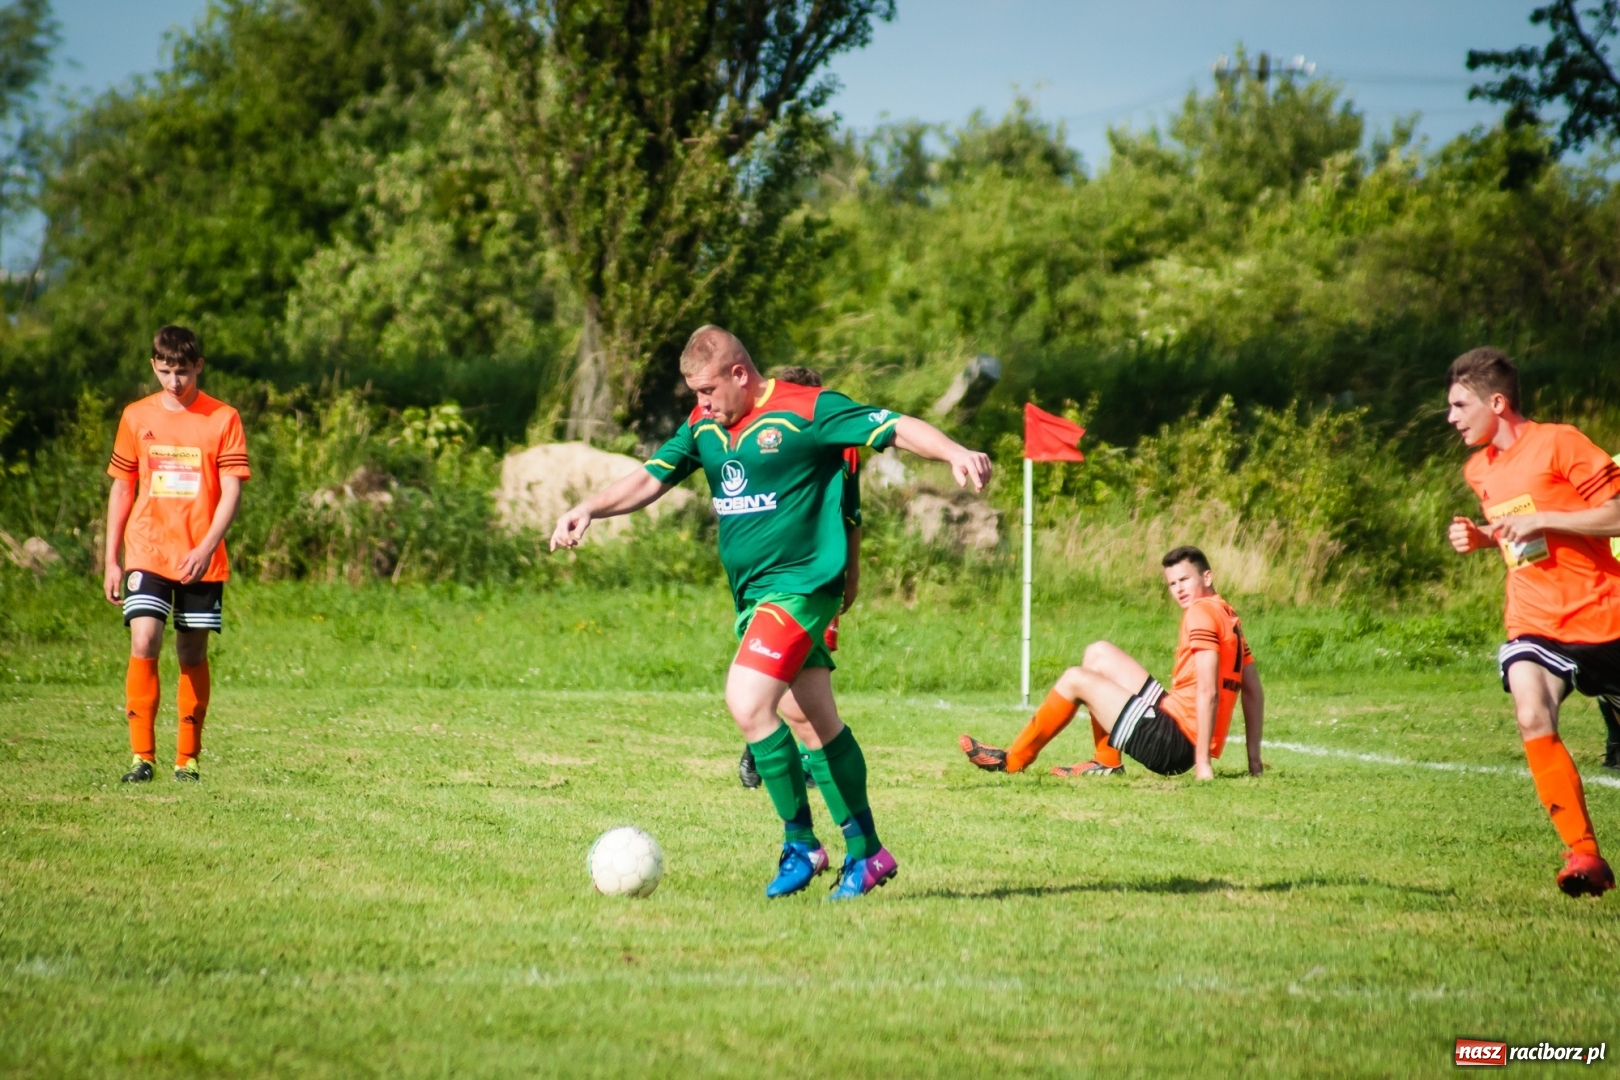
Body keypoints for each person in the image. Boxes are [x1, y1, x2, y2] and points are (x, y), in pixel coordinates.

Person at [552, 325, 991, 900]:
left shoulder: (807, 409)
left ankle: (801, 844)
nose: (702, 403)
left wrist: (954, 451)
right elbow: (650, 477)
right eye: (695, 393)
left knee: (746, 700)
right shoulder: (704, 426)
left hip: (801, 587)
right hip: (756, 595)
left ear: (740, 374)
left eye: (708, 390)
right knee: (810, 720)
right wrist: (589, 507)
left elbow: (894, 425)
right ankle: (868, 854)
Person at [1445, 347, 1619, 897]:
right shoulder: (1479, 469)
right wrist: (1483, 537)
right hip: (1535, 620)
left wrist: (1546, 518)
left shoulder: (1560, 442)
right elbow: (1521, 537)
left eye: (1460, 405)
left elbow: (1617, 513)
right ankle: (1584, 855)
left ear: (1497, 403)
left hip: (1604, 614)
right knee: (1530, 711)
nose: (1451, 417)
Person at [959, 546, 1264, 781]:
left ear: (1207, 577)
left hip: (1173, 743)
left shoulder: (1199, 612)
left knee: (1074, 679)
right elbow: (1252, 690)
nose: (1179, 589)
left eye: (1185, 580)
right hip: (1175, 724)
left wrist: (1203, 765)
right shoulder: (1228, 615)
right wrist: (1254, 761)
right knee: (1098, 653)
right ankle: (1107, 761)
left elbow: (1209, 692)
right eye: (1172, 583)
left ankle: (1012, 761)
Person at [104, 326, 251, 783]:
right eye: (165, 372)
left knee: (191, 651)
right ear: (154, 366)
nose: (174, 382)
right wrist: (111, 559)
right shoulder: (135, 416)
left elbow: (231, 492)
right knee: (144, 639)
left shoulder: (223, 418)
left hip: (200, 556)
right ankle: (141, 758)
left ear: (198, 367)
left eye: (183, 372)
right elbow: (122, 488)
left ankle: (187, 759)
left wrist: (206, 547)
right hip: (146, 550)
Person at [737, 365, 862, 791]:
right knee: (785, 661)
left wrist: (851, 573)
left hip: (820, 566)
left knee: (809, 659)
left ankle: (778, 743)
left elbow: (850, 510)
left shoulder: (842, 443)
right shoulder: (762, 434)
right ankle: (768, 741)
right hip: (788, 572)